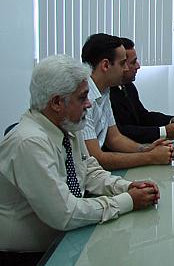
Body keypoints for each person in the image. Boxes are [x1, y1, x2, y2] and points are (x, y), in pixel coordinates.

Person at [0, 55, 160, 264]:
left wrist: (127, 186)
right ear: (57, 102)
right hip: (31, 256)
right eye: (82, 97)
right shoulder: (29, 142)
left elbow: (89, 172)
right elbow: (64, 213)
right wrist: (128, 200)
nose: (89, 104)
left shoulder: (67, 126)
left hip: (68, 239)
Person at [81, 33, 174, 170]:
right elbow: (96, 158)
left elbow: (115, 138)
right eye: (123, 63)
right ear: (106, 65)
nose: (126, 69)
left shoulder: (105, 91)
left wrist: (146, 149)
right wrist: (150, 157)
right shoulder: (84, 98)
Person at [110, 37, 174, 143]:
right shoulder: (106, 94)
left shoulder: (128, 86)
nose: (138, 66)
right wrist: (163, 131)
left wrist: (172, 120)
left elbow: (142, 116)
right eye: (133, 62)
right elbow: (121, 131)